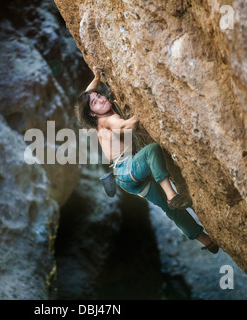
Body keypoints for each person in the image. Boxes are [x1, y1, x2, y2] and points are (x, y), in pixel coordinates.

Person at [75, 66, 219, 254]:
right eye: (95, 102)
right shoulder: (108, 120)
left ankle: (207, 241)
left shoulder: (96, 120)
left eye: (100, 96)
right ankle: (172, 195)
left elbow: (88, 92)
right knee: (151, 151)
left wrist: (96, 77)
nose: (101, 99)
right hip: (127, 169)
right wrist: (141, 112)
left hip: (127, 179)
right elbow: (125, 126)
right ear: (93, 113)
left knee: (171, 211)